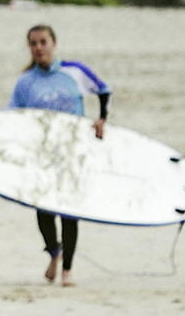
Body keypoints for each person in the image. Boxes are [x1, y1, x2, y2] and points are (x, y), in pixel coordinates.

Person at [10, 24, 110, 287]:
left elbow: (103, 89)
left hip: (73, 152)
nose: (39, 47)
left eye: (43, 42)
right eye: (33, 43)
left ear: (54, 43)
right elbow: (13, 117)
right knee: (43, 210)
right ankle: (54, 252)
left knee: (69, 210)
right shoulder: (25, 82)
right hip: (41, 154)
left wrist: (101, 119)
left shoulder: (74, 72)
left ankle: (67, 269)